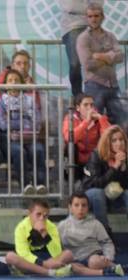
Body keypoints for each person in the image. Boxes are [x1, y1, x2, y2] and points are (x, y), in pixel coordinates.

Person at [77, 3, 126, 131]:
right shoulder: (83, 38)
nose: (93, 19)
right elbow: (87, 64)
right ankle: (96, 152)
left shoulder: (110, 36)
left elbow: (121, 56)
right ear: (87, 18)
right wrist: (110, 57)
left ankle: (118, 151)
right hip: (94, 85)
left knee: (121, 124)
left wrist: (101, 56)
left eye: (96, 16)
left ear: (102, 17)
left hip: (113, 86)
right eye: (90, 16)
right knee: (93, 126)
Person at [0, 69, 46, 195]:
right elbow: (2, 124)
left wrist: (15, 123)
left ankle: (40, 184)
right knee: (19, 152)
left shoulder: (30, 100)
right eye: (10, 80)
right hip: (10, 138)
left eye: (16, 80)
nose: (13, 83)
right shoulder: (1, 102)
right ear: (5, 84)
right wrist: (25, 122)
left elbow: (37, 120)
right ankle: (26, 185)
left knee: (38, 150)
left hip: (29, 137)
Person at [57, 191, 124, 277]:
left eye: (84, 205)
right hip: (74, 260)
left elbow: (106, 242)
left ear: (88, 207)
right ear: (70, 207)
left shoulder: (95, 224)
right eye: (76, 205)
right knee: (70, 266)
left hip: (93, 257)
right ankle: (105, 272)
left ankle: (112, 266)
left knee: (94, 262)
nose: (80, 208)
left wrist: (107, 257)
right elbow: (57, 246)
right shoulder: (62, 225)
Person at [5, 199, 74, 277]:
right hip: (32, 263)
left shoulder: (52, 227)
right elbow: (23, 254)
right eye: (38, 214)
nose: (41, 218)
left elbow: (57, 252)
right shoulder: (20, 228)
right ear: (29, 214)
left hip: (49, 259)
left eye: (45, 216)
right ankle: (48, 272)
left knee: (68, 254)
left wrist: (45, 234)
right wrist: (43, 264)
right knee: (10, 257)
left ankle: (44, 271)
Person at [80, 125, 128, 230]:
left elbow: (124, 186)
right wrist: (115, 166)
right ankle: (105, 232)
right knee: (98, 193)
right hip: (92, 194)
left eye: (121, 140)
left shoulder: (125, 157)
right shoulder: (97, 155)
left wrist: (123, 167)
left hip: (114, 196)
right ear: (107, 142)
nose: (119, 143)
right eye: (114, 140)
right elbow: (97, 183)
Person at [62, 93, 110, 181]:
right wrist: (86, 122)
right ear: (78, 108)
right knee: (70, 146)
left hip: (94, 159)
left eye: (92, 105)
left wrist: (101, 119)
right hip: (76, 159)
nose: (89, 108)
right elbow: (69, 138)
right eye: (85, 105)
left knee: (107, 147)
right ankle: (73, 181)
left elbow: (109, 137)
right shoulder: (70, 118)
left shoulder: (99, 119)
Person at [59, 0, 102, 97]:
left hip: (92, 27)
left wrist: (82, 8)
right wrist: (89, 8)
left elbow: (99, 5)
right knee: (75, 64)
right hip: (72, 27)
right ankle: (77, 97)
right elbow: (70, 6)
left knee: (96, 63)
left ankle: (93, 97)